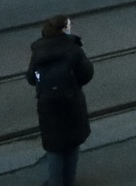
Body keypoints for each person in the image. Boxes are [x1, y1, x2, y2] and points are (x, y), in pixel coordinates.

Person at [27, 16, 93, 186]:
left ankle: (55, 182)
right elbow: (86, 73)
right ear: (64, 29)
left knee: (54, 146)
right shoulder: (74, 48)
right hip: (72, 103)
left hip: (48, 105)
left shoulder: (39, 50)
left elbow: (31, 78)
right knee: (72, 143)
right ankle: (68, 181)